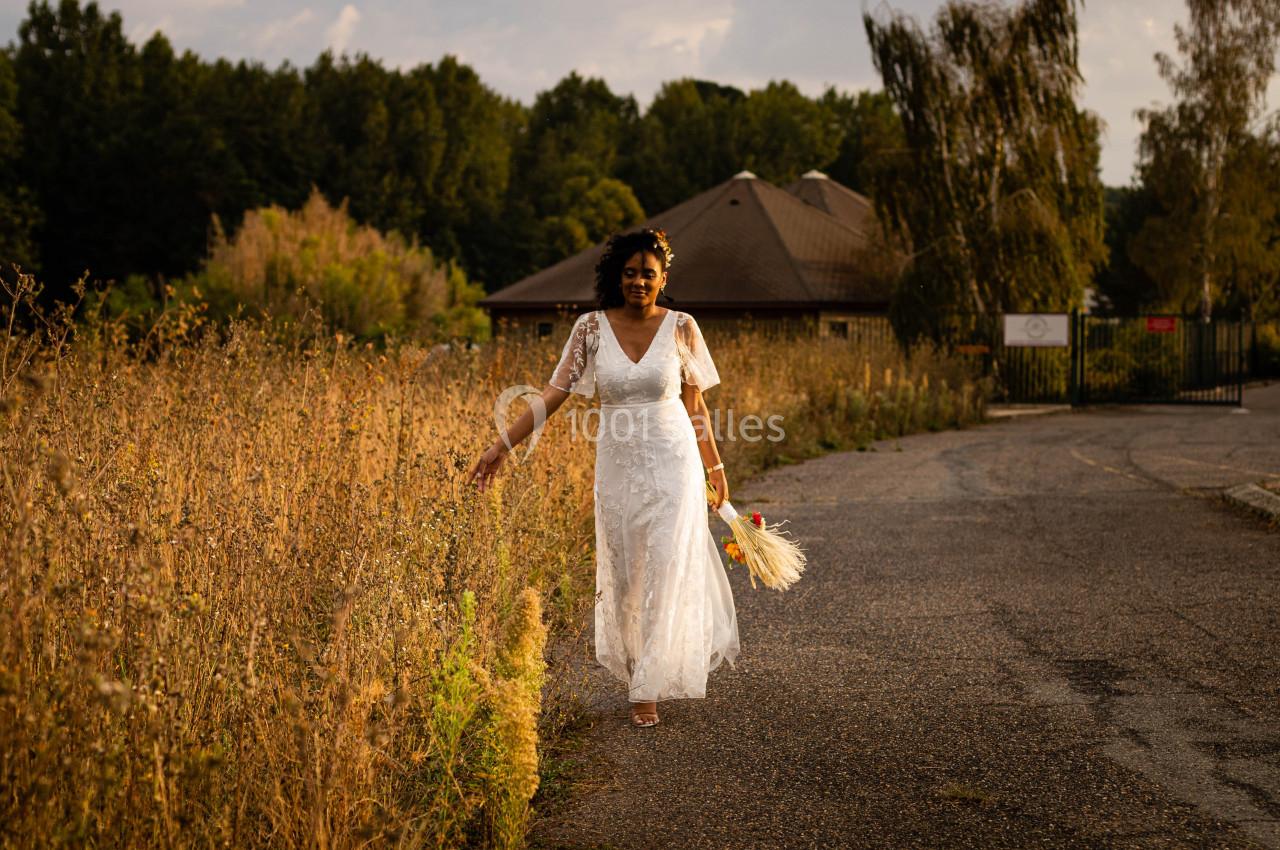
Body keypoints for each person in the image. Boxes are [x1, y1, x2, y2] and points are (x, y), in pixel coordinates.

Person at [469, 227, 740, 728]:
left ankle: (647, 688)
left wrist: (715, 468)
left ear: (663, 279)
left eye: (649, 274)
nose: (639, 281)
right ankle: (637, 665)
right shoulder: (591, 328)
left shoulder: (681, 327)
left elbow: (695, 405)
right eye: (631, 273)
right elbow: (552, 396)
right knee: (625, 572)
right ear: (618, 275)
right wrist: (501, 445)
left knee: (663, 564)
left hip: (673, 461)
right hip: (618, 465)